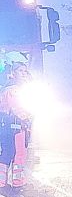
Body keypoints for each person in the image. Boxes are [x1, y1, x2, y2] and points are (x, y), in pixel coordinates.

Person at [0, 55, 34, 189]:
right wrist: (28, 117)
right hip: (16, 125)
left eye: (25, 71)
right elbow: (17, 108)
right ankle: (18, 181)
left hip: (7, 125)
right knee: (19, 153)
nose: (24, 73)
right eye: (21, 71)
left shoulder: (8, 87)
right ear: (13, 73)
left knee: (7, 152)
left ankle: (1, 181)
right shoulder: (14, 89)